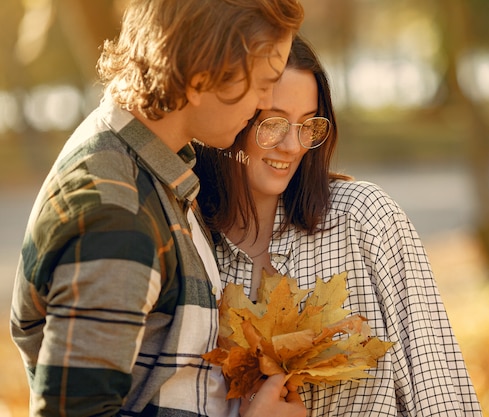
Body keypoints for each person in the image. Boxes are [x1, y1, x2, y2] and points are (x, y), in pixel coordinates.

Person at [9, 1, 306, 416]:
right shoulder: (116, 216)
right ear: (201, 78)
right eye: (263, 83)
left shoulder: (153, 169)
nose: (265, 101)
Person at [192, 35, 484, 416]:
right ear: (230, 118)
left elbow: (435, 386)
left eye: (308, 125)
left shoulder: (364, 219)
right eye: (273, 123)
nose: (294, 146)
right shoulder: (195, 247)